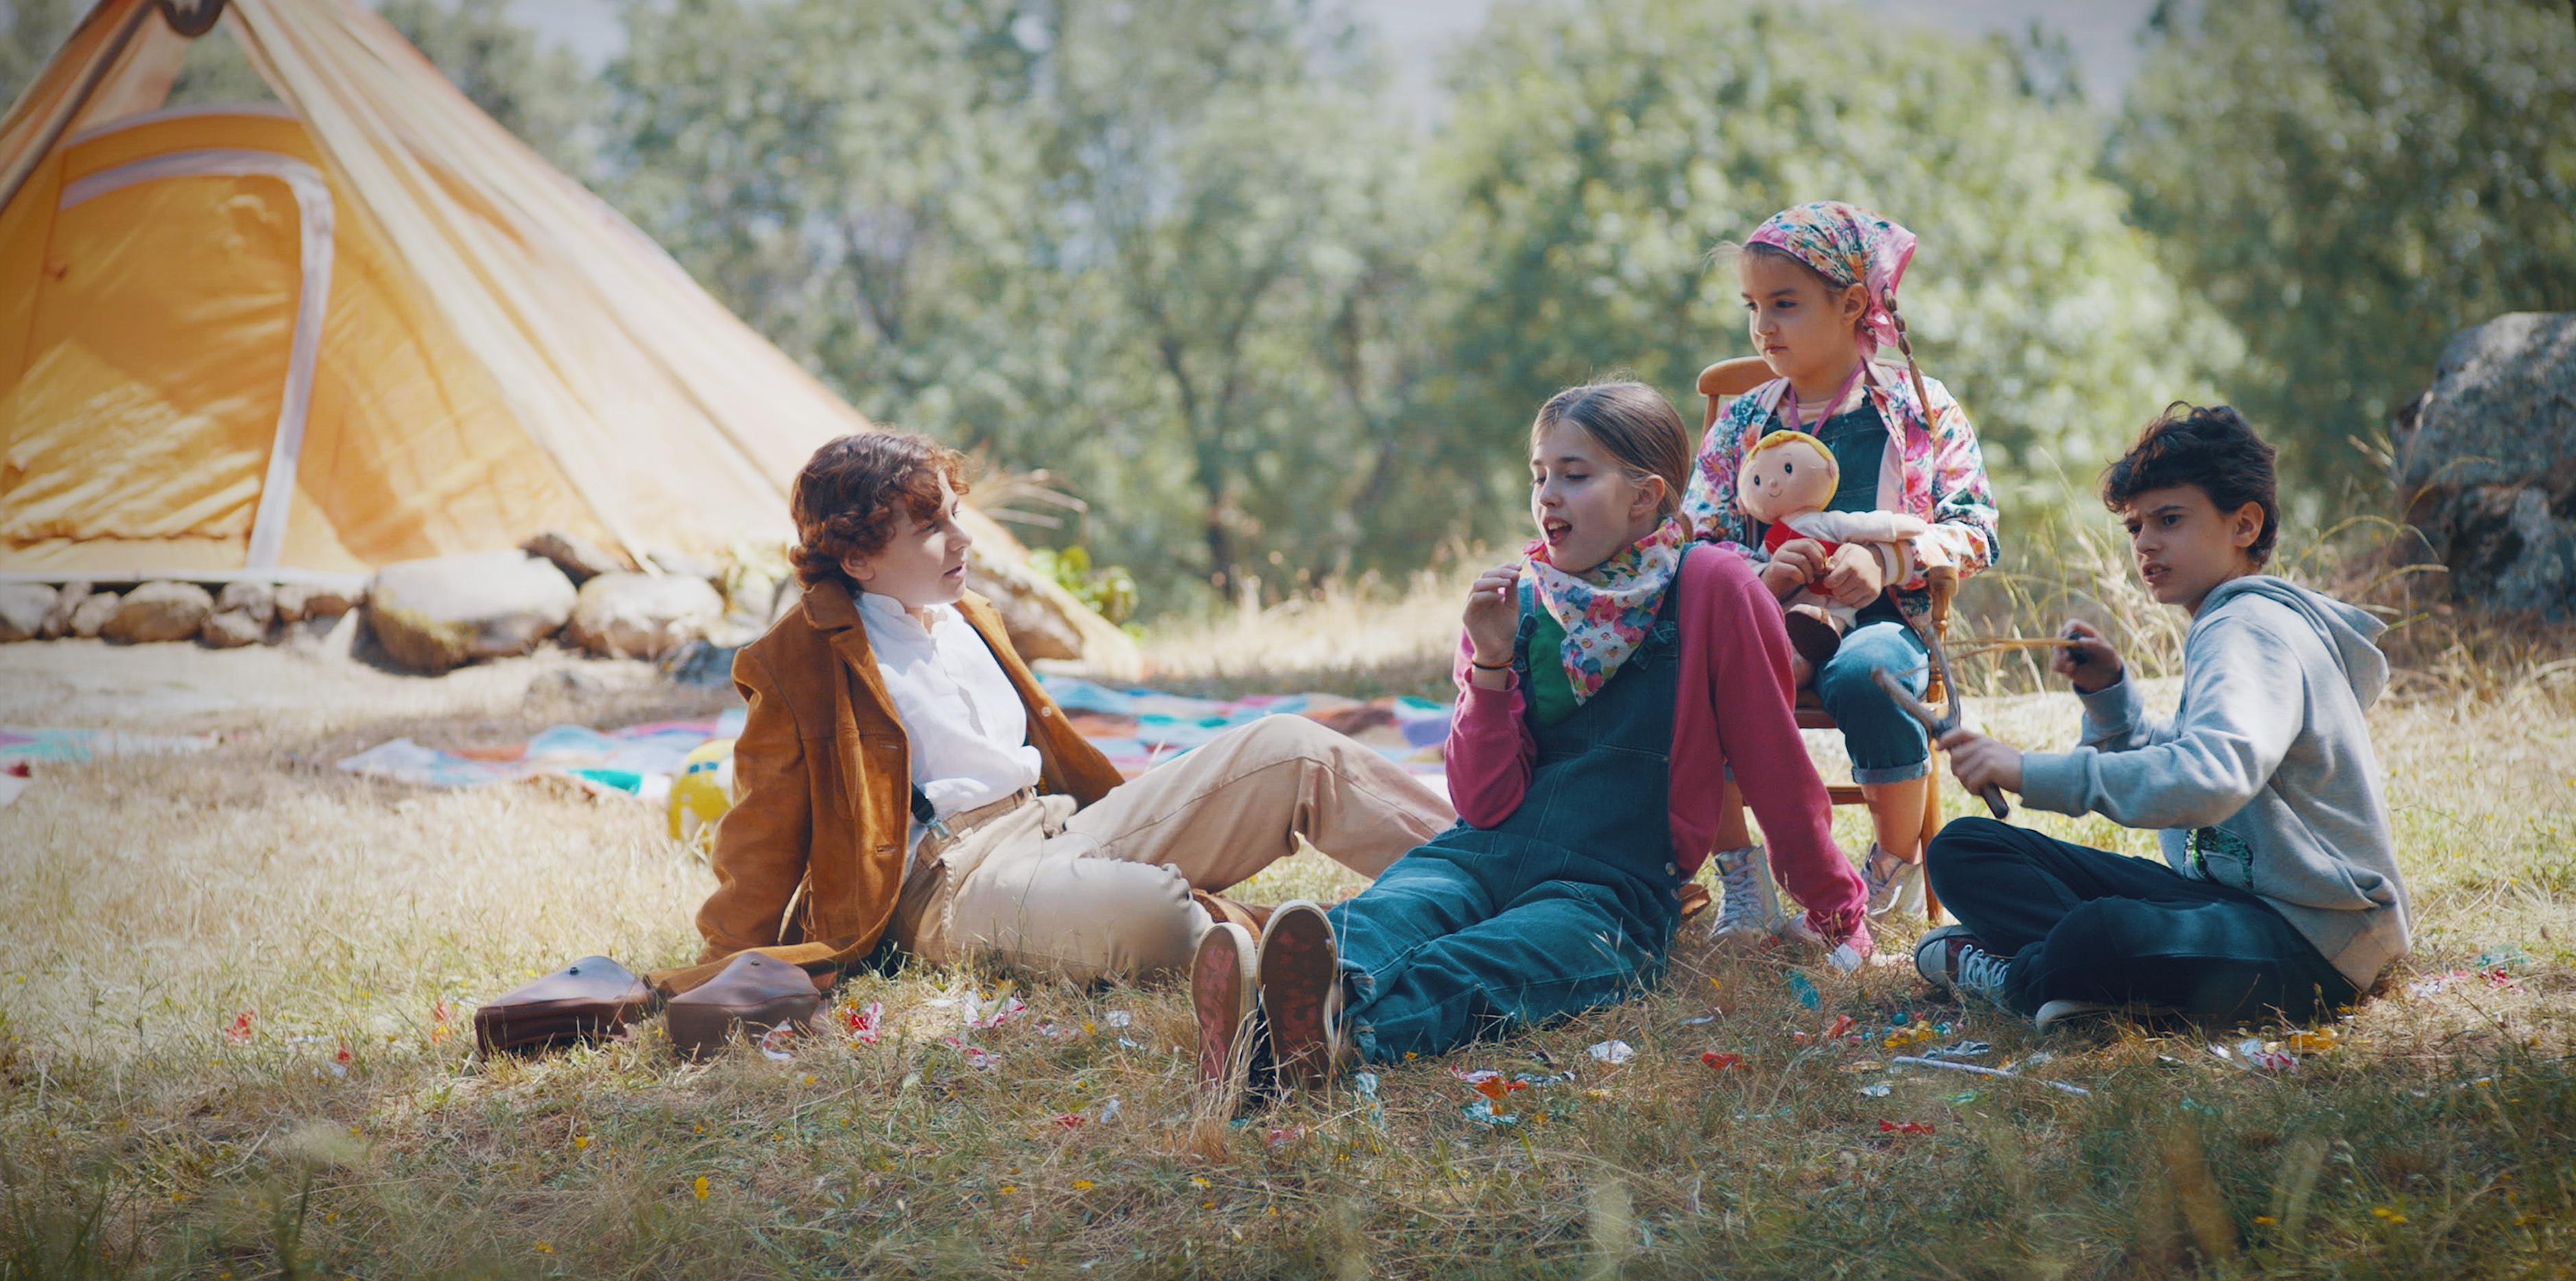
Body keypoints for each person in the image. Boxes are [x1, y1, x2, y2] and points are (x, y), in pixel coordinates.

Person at [1188, 382, 1866, 1089]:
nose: (1548, 496)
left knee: (1498, 959)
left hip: (1606, 891)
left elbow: (1775, 767)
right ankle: (1287, 1009)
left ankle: (1318, 1035)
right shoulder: (1519, 599)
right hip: (1479, 852)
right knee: (1398, 907)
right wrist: (1489, 661)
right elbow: (1482, 801)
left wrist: (1835, 907)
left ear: (1645, 496)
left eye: (1575, 476)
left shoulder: (1716, 587)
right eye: (1540, 475)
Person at [656, 429, 1454, 1001]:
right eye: (932, 526)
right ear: (859, 556)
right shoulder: (799, 657)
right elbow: (762, 827)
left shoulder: (970, 611)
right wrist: (727, 967)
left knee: (1292, 749)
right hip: (951, 885)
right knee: (1152, 917)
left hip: (1060, 826)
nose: (963, 537)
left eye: (955, 513)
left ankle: (1505, 869)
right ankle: (1338, 939)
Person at [1915, 404, 2410, 1029]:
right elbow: (2191, 758)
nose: (2147, 543)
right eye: (2135, 527)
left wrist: (2028, 771)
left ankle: (2024, 977)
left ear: (2245, 524)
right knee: (1965, 848)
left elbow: (2213, 777)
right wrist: (2111, 700)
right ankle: (2085, 983)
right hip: (2226, 903)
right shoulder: (2226, 623)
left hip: (2313, 940)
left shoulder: (2247, 628)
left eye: (2170, 520)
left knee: (2097, 935)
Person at [1681, 202, 2001, 935]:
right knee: (1708, 673)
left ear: (1853, 303)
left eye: (1785, 305)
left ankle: (1891, 861)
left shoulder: (1918, 409)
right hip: (1768, 622)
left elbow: (1977, 528)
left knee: (1869, 674)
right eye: (1753, 308)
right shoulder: (1744, 419)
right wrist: (1762, 570)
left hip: (1890, 622)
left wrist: (1890, 557)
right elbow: (1696, 538)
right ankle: (1743, 873)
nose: (1764, 327)